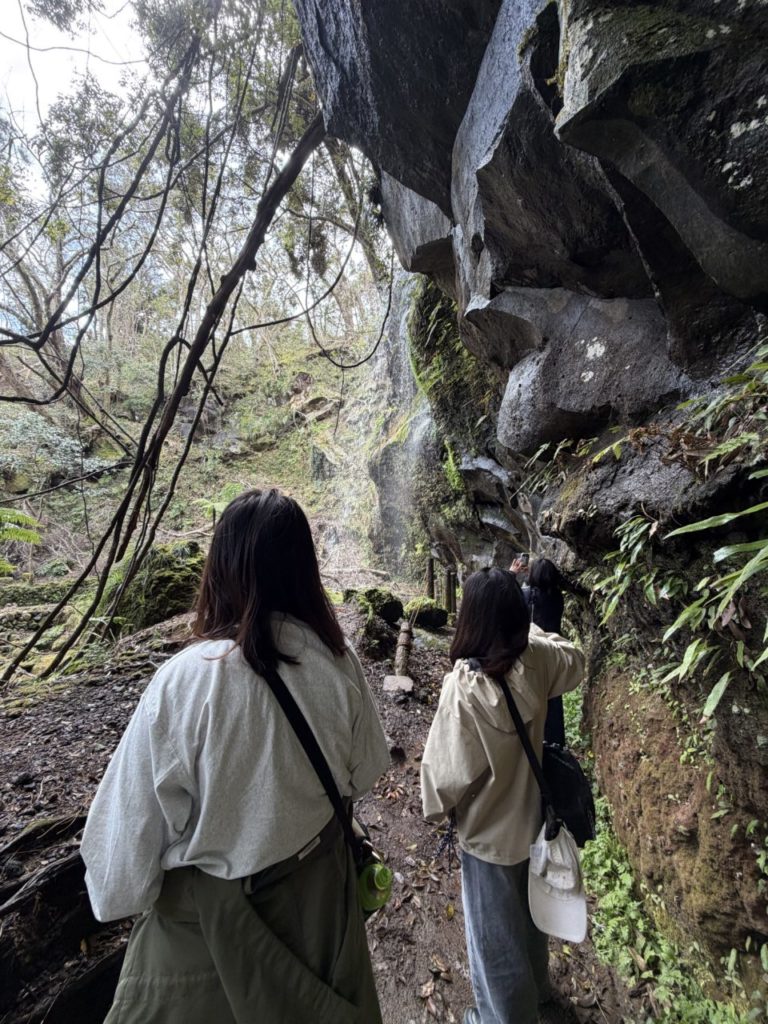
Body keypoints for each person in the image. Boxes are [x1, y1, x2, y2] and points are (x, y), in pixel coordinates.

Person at [81, 488, 390, 1024]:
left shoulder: (183, 683)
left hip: (206, 954)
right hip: (320, 925)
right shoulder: (339, 665)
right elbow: (365, 771)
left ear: (220, 568)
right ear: (304, 570)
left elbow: (117, 882)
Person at [420, 567, 584, 1024]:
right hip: (533, 824)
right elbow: (575, 657)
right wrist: (530, 630)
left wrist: (444, 809)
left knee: (495, 944)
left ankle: (500, 1017)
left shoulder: (464, 691)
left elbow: (438, 788)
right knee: (531, 921)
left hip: (488, 839)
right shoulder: (538, 662)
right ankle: (541, 996)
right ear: (518, 615)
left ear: (469, 620)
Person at [510, 556, 587, 747]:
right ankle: (555, 744)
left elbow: (507, 598)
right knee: (552, 697)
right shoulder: (557, 598)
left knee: (528, 696)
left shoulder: (525, 594)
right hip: (553, 652)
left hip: (530, 650)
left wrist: (513, 574)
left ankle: (530, 742)